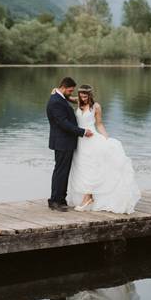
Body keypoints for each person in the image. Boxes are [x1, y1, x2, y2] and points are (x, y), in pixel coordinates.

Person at [61, 84, 141, 214]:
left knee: (91, 168)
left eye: (86, 95)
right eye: (81, 94)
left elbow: (99, 123)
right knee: (81, 168)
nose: (83, 97)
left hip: (91, 139)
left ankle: (88, 197)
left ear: (90, 95)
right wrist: (56, 90)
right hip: (80, 140)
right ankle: (87, 197)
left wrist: (106, 138)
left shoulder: (96, 107)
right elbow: (67, 96)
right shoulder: (78, 101)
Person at [47, 76, 94, 211]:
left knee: (63, 171)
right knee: (61, 172)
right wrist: (82, 132)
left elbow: (70, 100)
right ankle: (55, 201)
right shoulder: (56, 101)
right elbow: (63, 123)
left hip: (64, 141)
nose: (71, 93)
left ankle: (60, 199)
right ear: (64, 87)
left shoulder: (59, 97)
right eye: (70, 90)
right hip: (62, 141)